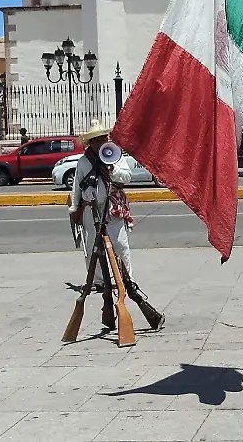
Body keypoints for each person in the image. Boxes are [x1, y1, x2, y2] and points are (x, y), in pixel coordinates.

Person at [69, 121, 166, 333]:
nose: (100, 143)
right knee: (94, 251)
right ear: (90, 143)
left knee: (120, 248)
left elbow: (126, 177)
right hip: (92, 212)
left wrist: (111, 169)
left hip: (113, 210)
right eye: (96, 140)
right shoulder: (84, 162)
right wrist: (75, 207)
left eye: (102, 139)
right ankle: (101, 284)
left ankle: (126, 281)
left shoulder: (115, 155)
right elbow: (77, 186)